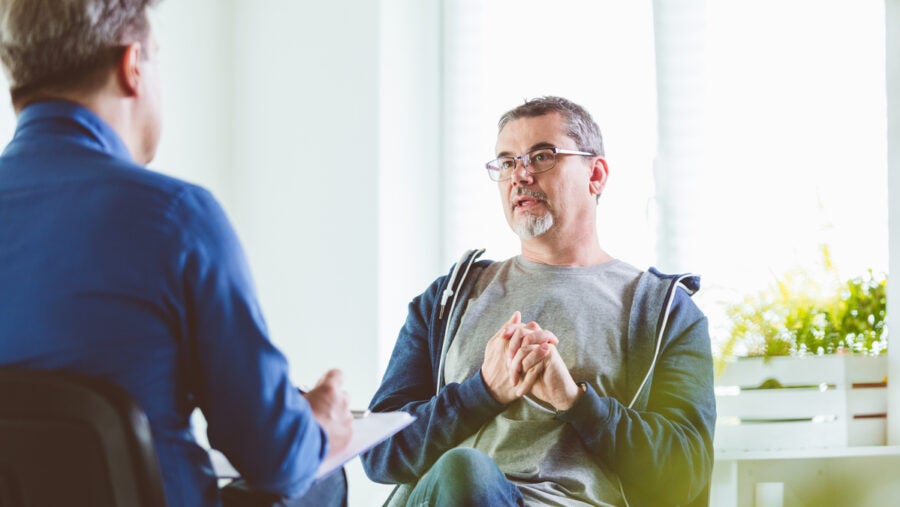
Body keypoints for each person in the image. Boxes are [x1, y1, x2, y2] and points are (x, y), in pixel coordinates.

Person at [0, 1, 352, 506]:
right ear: (132, 66)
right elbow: (276, 458)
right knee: (319, 479)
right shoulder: (176, 218)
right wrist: (320, 426)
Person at [361, 96, 715, 506]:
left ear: (596, 174)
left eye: (542, 156)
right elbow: (379, 454)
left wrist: (576, 402)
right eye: (507, 162)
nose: (521, 175)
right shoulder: (448, 299)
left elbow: (686, 475)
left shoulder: (664, 312)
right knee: (466, 471)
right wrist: (482, 392)